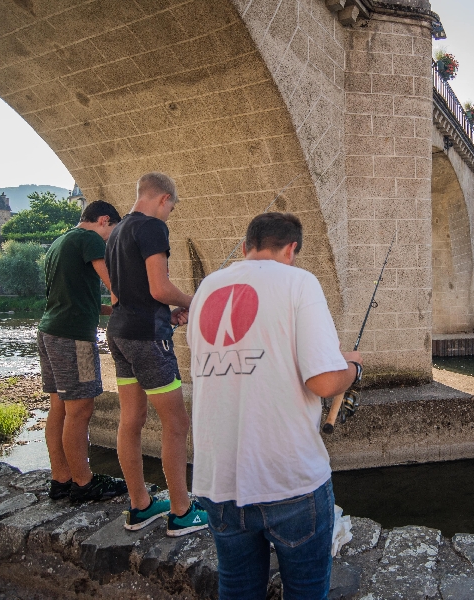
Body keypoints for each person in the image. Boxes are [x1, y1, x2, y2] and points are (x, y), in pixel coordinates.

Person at [189, 212, 362, 599]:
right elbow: (322, 381)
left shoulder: (207, 288)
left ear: (246, 245)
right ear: (292, 249)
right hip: (289, 480)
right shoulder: (299, 282)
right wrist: (353, 368)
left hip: (218, 479)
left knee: (236, 588)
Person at [105, 172, 207, 537]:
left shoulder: (115, 232)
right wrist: (194, 302)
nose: (170, 216)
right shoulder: (152, 228)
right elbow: (160, 287)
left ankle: (140, 505)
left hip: (119, 334)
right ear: (163, 198)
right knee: (176, 424)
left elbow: (122, 296)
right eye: (172, 208)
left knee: (130, 419)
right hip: (148, 340)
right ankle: (181, 512)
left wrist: (167, 314)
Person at [38, 200, 128, 503]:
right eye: (112, 232)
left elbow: (75, 298)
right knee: (81, 409)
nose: (109, 240)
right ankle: (83, 483)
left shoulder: (60, 241)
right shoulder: (89, 238)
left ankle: (61, 479)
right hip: (74, 339)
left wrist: (111, 311)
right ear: (104, 220)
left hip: (51, 332)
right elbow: (115, 284)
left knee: (60, 408)